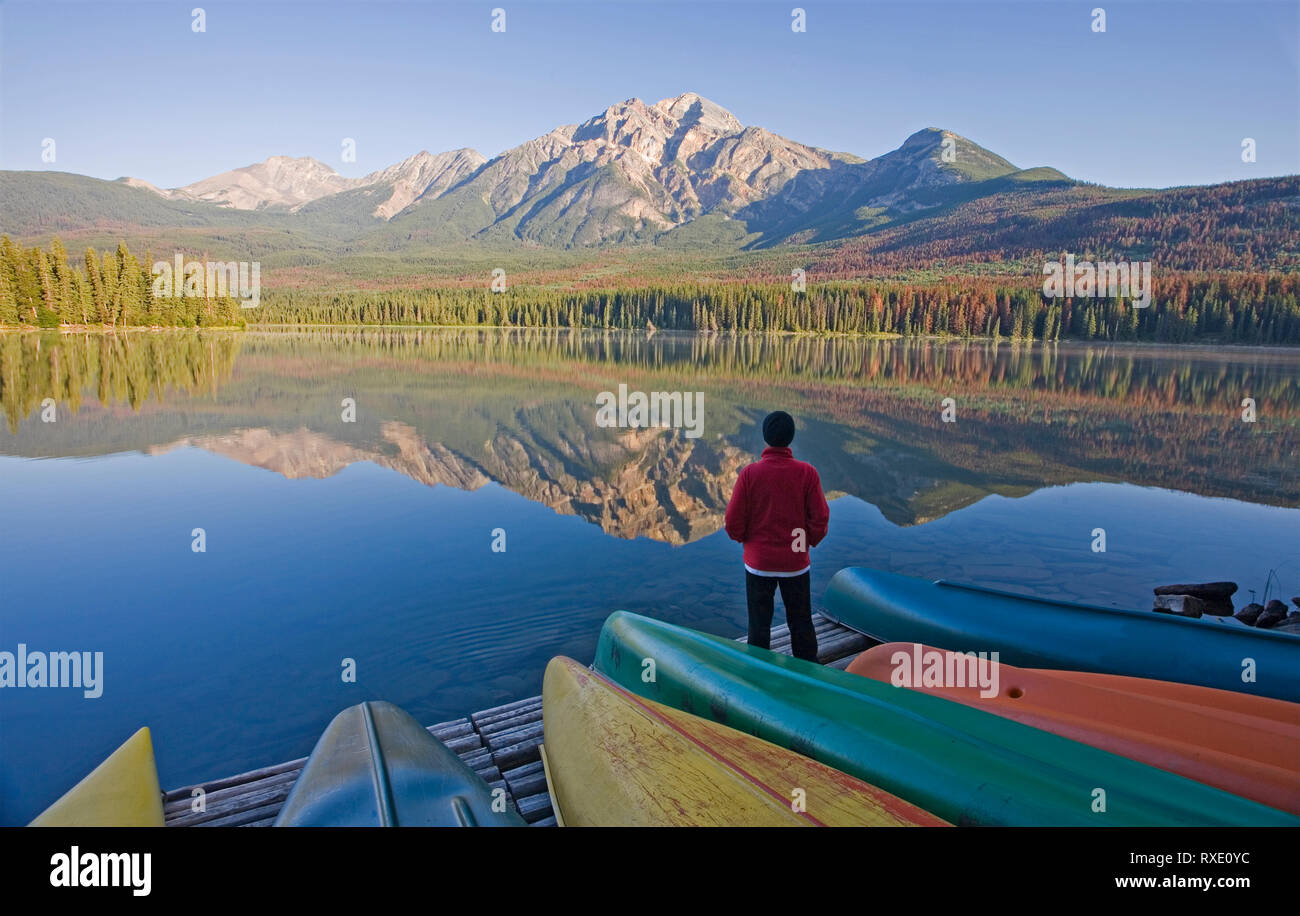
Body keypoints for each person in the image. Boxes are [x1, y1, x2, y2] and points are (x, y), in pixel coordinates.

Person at [724, 411, 829, 662]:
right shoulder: (807, 473)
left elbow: (733, 522)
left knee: (758, 627)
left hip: (759, 564)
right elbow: (820, 519)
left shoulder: (750, 474)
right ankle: (809, 676)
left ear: (765, 438)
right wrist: (805, 543)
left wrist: (748, 542)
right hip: (796, 563)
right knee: (801, 623)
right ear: (791, 438)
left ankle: (759, 678)